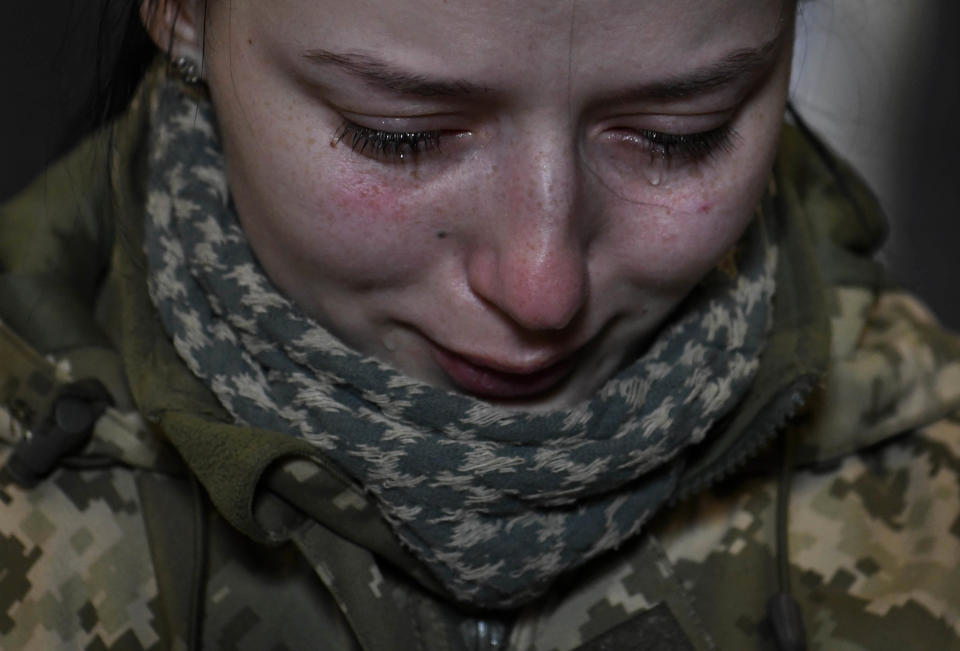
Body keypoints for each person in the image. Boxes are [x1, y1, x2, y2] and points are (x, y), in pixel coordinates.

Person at [1, 0, 959, 649]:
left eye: (682, 134)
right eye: (401, 134)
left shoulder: (931, 500)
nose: (542, 290)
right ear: (179, 14)